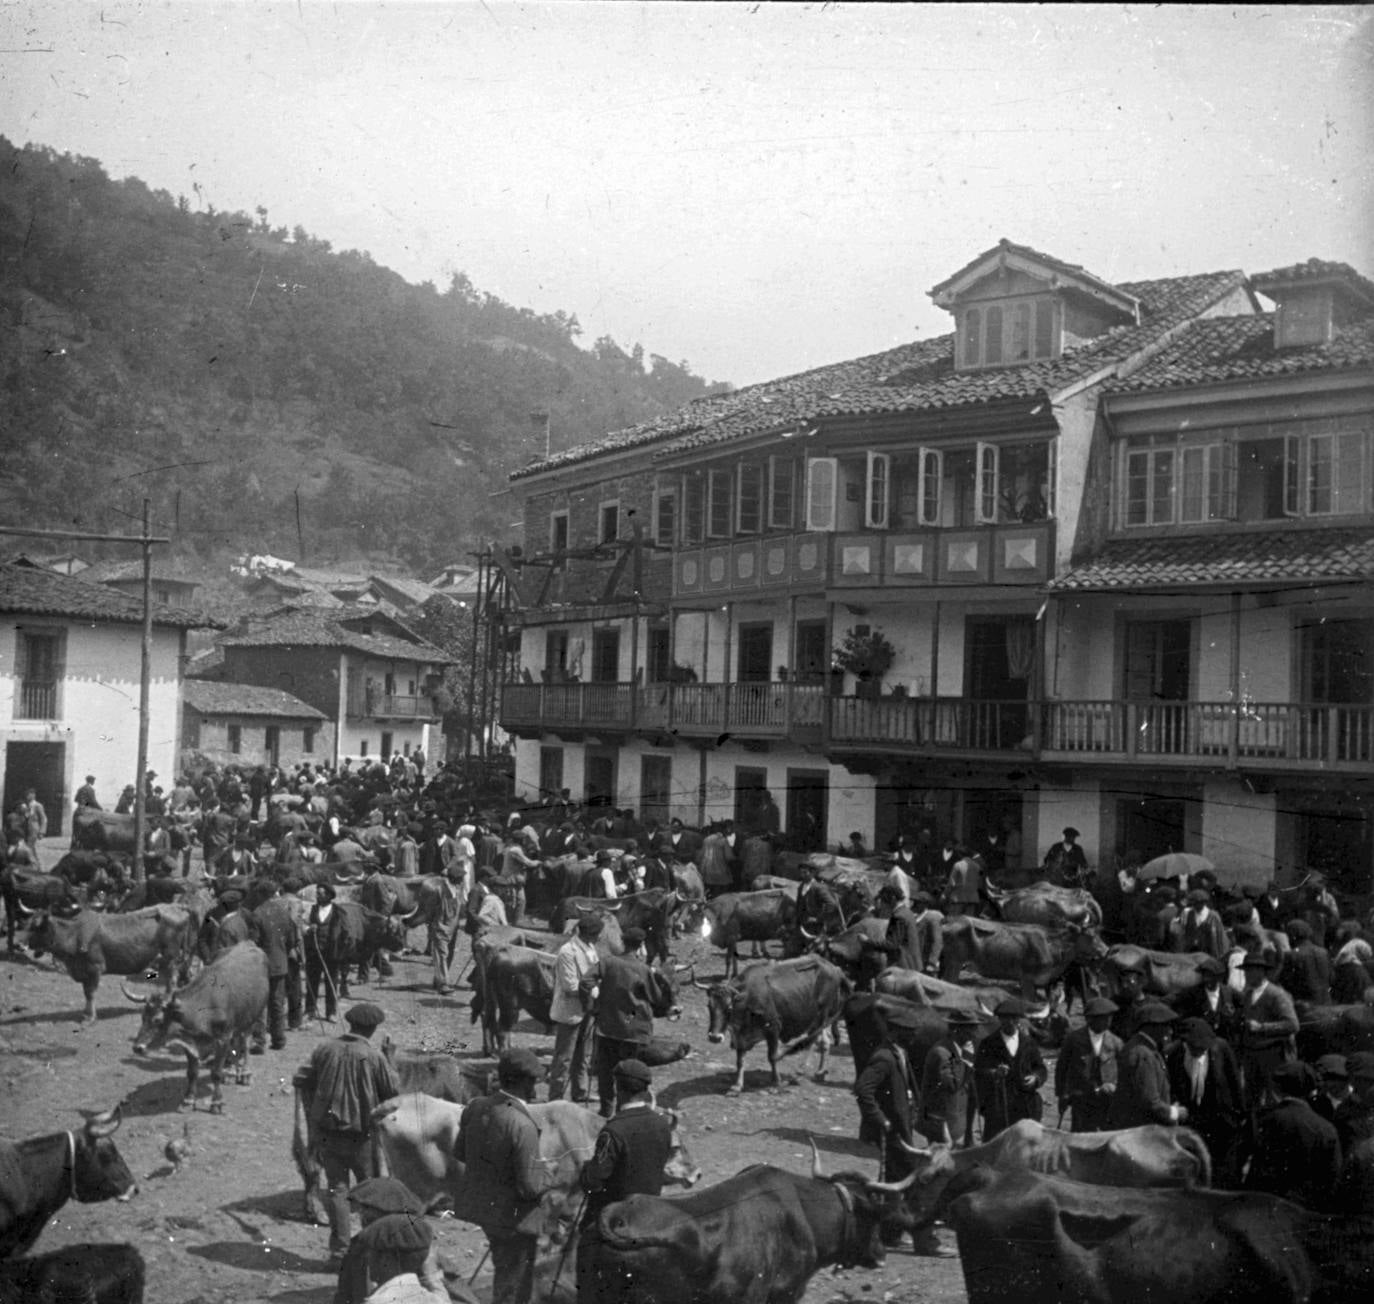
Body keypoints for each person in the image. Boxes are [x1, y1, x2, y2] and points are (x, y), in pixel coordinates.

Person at [451, 1048, 552, 1304]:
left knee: (504, 1270)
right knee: (514, 1286)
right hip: (514, 1218)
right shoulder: (523, 1124)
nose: (536, 1089)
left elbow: (461, 1153)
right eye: (534, 1082)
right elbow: (530, 1187)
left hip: (483, 1209)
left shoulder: (475, 1107)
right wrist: (549, 1174)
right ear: (521, 1081)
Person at [853, 1003, 955, 1257]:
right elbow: (863, 1090)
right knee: (913, 1184)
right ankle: (925, 1241)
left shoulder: (899, 1053)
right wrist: (880, 1120)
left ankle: (889, 1234)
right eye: (909, 1031)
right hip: (892, 1132)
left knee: (894, 1182)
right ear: (895, 1031)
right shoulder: (884, 1057)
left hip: (901, 1130)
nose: (914, 1036)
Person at [302, 1003, 401, 1258]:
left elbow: (304, 1079)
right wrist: (390, 1057)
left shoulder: (325, 1049)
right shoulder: (373, 1056)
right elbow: (393, 1090)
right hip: (361, 1136)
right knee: (369, 1191)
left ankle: (340, 1249)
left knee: (337, 1190)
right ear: (373, 1028)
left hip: (329, 1133)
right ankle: (370, 1248)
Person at [576, 1058, 679, 1301]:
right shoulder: (662, 1124)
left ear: (617, 1089)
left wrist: (586, 1170)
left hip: (613, 1224)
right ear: (647, 1089)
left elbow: (594, 1180)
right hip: (651, 1218)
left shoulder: (614, 1130)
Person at [581, 926, 678, 1118]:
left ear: (623, 943)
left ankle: (606, 1108)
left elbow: (585, 982)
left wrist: (592, 1007)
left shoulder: (607, 962)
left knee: (605, 1071)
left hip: (607, 1028)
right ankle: (622, 1111)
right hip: (634, 1031)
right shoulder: (643, 969)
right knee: (629, 1072)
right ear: (641, 946)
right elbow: (656, 998)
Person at [1244, 1061, 1342, 1210]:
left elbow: (1239, 1163)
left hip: (1262, 1208)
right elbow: (1333, 1180)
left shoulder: (1261, 1120)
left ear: (1278, 1088)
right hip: (1304, 1213)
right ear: (1310, 1091)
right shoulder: (1326, 1129)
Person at [334, 1179, 445, 1304]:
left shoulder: (416, 1246)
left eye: (367, 1209)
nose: (361, 1216)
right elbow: (343, 1294)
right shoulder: (358, 1245)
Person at [1165, 1017, 1246, 1185]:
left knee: (1223, 1167)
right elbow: (1171, 1086)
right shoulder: (1174, 1054)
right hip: (1193, 1118)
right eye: (1195, 1048)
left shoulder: (1221, 1048)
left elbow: (1235, 1082)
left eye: (1203, 1049)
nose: (1200, 1052)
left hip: (1220, 1117)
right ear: (1185, 1042)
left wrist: (1240, 1113)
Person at [973, 998, 1047, 1139]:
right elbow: (978, 1072)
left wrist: (1035, 1078)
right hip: (999, 1106)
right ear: (1000, 1020)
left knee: (1024, 1146)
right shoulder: (988, 1043)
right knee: (997, 1146)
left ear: (1019, 1019)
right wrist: (995, 1073)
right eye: (1005, 1018)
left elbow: (1041, 1068)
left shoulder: (1029, 1043)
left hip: (1026, 1105)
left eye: (1014, 1018)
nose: (1010, 1022)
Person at [548, 914, 602, 1104]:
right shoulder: (567, 952)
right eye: (596, 935)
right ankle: (556, 1096)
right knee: (564, 1058)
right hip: (570, 1011)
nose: (598, 938)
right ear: (587, 934)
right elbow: (570, 986)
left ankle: (579, 1091)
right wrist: (594, 991)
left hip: (587, 1010)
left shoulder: (590, 949)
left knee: (584, 1055)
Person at [1107, 1002, 1186, 1129]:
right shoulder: (1143, 1053)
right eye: (1166, 1025)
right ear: (1152, 1027)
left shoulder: (1143, 1047)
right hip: (1141, 1131)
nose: (1170, 1031)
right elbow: (1150, 1101)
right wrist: (1174, 1112)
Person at [1236, 950, 1299, 1108]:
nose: (1246, 975)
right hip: (1252, 1055)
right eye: (1245, 971)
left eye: (1250, 971)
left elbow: (1292, 1025)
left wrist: (1261, 1027)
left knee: (1275, 1099)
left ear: (1261, 972)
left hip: (1273, 1056)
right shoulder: (1247, 995)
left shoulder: (1277, 995)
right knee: (1251, 1099)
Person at [1054, 996, 1122, 1132]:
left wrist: (1115, 1086)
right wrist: (1062, 1094)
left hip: (1107, 1100)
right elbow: (1061, 1068)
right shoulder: (1073, 1039)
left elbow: (1124, 1070)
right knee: (1080, 1137)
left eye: (1110, 1017)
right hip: (1081, 1099)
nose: (1108, 1021)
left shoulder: (1115, 1042)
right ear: (1090, 1019)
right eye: (1103, 1018)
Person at [351, 1211, 447, 1304]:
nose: (367, 1259)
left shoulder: (377, 1301)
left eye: (370, 1253)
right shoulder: (437, 1300)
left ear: (386, 1259)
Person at [252, 881, 304, 1046]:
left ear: (260, 894)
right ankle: (279, 1038)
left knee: (260, 1004)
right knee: (277, 1002)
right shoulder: (284, 913)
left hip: (261, 964)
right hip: (280, 963)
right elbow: (292, 940)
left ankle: (259, 1040)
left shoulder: (257, 913)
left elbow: (254, 942)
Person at [919, 1011, 980, 1148]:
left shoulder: (957, 1049)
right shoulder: (941, 1053)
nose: (974, 1034)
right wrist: (967, 1062)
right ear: (956, 1030)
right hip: (939, 1120)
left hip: (951, 1119)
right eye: (970, 1029)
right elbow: (952, 1085)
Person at [1173, 956, 1242, 1042]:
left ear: (1218, 977)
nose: (1206, 979)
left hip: (1224, 1038)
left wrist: (1233, 1016)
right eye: (1205, 975)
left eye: (1210, 976)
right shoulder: (1193, 993)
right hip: (1201, 1039)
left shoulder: (1229, 992)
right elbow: (1180, 1009)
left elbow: (1243, 1005)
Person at [305, 884, 345, 1022]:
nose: (317, 896)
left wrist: (339, 950)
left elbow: (344, 933)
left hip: (332, 954)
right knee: (312, 982)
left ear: (329, 895)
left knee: (331, 983)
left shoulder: (338, 911)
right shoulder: (313, 909)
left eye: (320, 894)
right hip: (314, 953)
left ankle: (331, 1012)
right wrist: (310, 928)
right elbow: (306, 926)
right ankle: (310, 1011)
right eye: (317, 894)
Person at [1279, 919, 1332, 1005]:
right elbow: (1332, 978)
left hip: (1304, 1006)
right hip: (1326, 1002)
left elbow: (1285, 982)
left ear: (1292, 936)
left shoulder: (1291, 955)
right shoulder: (1323, 952)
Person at [1169, 888, 1231, 959]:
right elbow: (1179, 931)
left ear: (1204, 903)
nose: (1196, 905)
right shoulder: (1187, 913)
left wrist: (1220, 954)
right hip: (1191, 951)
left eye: (1200, 903)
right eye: (1194, 903)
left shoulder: (1213, 916)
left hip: (1208, 952)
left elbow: (1219, 936)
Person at [18, 789, 46, 855]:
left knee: (30, 846)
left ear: (33, 795)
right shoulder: (25, 805)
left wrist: (42, 832)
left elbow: (43, 819)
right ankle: (34, 862)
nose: (27, 796)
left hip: (34, 828)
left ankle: (33, 862)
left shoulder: (38, 805)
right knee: (30, 847)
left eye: (29, 794)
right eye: (26, 794)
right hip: (26, 828)